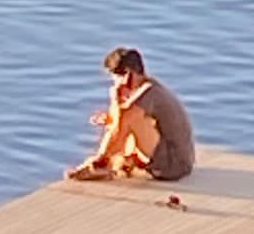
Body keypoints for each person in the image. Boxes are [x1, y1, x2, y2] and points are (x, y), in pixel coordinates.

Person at [66, 47, 195, 182]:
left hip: (173, 165)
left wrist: (100, 158)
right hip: (171, 156)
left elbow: (121, 127)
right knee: (122, 119)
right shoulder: (147, 88)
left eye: (115, 78)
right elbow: (118, 123)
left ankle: (101, 164)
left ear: (128, 74)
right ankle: (117, 162)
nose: (115, 83)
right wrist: (111, 116)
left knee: (129, 117)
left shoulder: (147, 94)